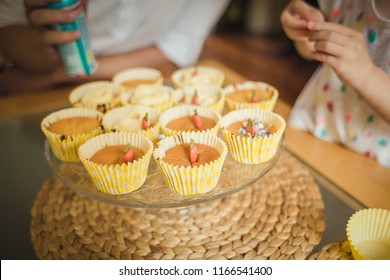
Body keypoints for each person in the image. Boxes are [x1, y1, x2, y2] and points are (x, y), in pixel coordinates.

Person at [0, 0, 230, 94]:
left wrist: (57, 74)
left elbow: (172, 53)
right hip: (35, 88)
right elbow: (7, 27)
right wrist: (43, 53)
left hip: (139, 84)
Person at [280, 0, 390, 167]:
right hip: (312, 130)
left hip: (375, 170)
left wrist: (367, 74)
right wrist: (307, 34)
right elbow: (310, 50)